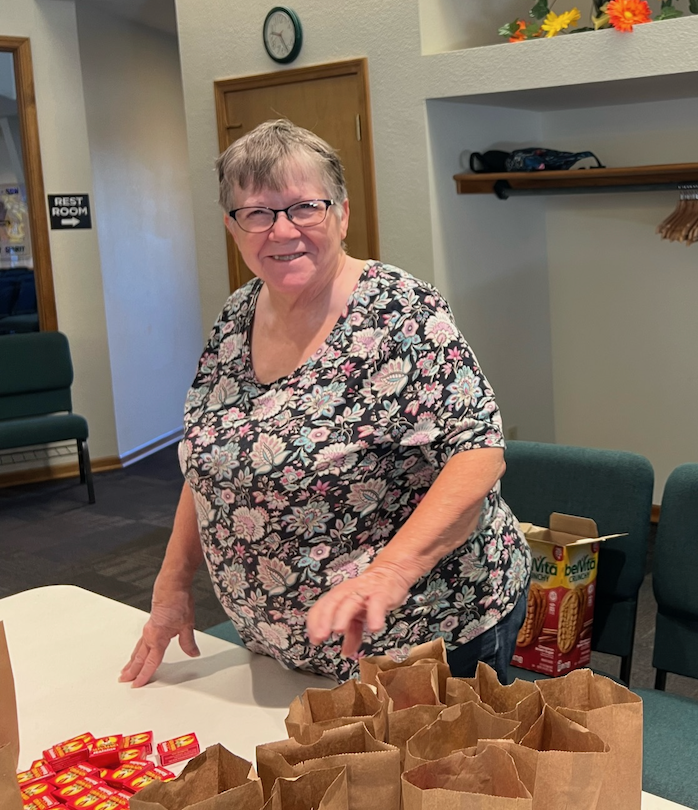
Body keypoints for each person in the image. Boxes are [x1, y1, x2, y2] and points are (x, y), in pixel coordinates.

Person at [120, 119, 530, 686]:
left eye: (305, 207)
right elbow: (212, 462)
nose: (282, 231)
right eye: (257, 213)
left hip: (419, 635)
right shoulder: (237, 317)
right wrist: (172, 582)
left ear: (341, 214)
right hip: (285, 647)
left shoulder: (398, 310)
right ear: (232, 228)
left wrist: (390, 571)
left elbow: (479, 452)